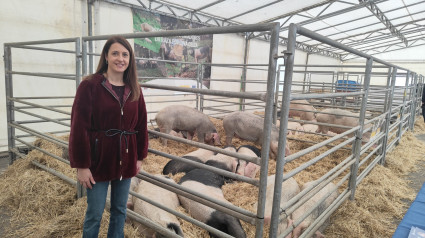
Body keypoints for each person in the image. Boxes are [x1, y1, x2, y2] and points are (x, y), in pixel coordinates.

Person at [68, 36, 148, 237]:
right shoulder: (90, 86)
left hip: (127, 157)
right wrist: (82, 165)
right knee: (95, 213)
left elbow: (141, 124)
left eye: (125, 54)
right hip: (98, 160)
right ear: (106, 56)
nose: (120, 59)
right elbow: (79, 126)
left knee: (120, 210)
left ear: (130, 59)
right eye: (115, 53)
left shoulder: (135, 88)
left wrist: (139, 157)